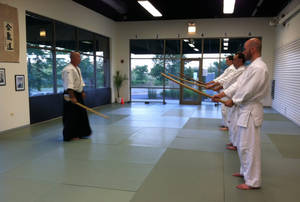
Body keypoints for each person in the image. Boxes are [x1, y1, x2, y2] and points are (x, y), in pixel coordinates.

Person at [213, 38, 269, 190]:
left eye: (245, 49)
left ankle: (253, 181)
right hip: (245, 110)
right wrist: (223, 94)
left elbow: (248, 90)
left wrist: (234, 100)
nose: (244, 53)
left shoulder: (259, 68)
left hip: (250, 111)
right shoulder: (252, 67)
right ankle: (245, 172)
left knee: (250, 147)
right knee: (244, 145)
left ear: (252, 49)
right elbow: (239, 84)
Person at [213, 52, 246, 151]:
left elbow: (228, 81)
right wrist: (214, 86)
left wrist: (214, 87)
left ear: (239, 60)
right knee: (231, 120)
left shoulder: (241, 70)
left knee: (234, 122)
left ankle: (236, 144)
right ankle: (233, 141)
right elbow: (227, 81)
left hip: (235, 98)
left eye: (234, 59)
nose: (231, 62)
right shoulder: (236, 69)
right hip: (230, 95)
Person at [62, 52, 91, 141]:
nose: (80, 59)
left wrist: (82, 91)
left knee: (81, 114)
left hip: (77, 94)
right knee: (71, 116)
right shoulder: (68, 69)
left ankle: (81, 133)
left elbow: (80, 81)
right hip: (70, 94)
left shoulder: (77, 68)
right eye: (78, 57)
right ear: (73, 58)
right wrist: (72, 96)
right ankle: (71, 135)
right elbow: (69, 84)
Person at [206, 55, 235, 131]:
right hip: (226, 90)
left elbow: (224, 80)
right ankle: (225, 124)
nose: (226, 62)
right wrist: (210, 83)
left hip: (228, 92)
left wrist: (212, 85)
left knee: (226, 109)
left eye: (227, 60)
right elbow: (221, 78)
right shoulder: (229, 69)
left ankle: (227, 125)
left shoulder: (232, 69)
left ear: (231, 61)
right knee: (224, 109)